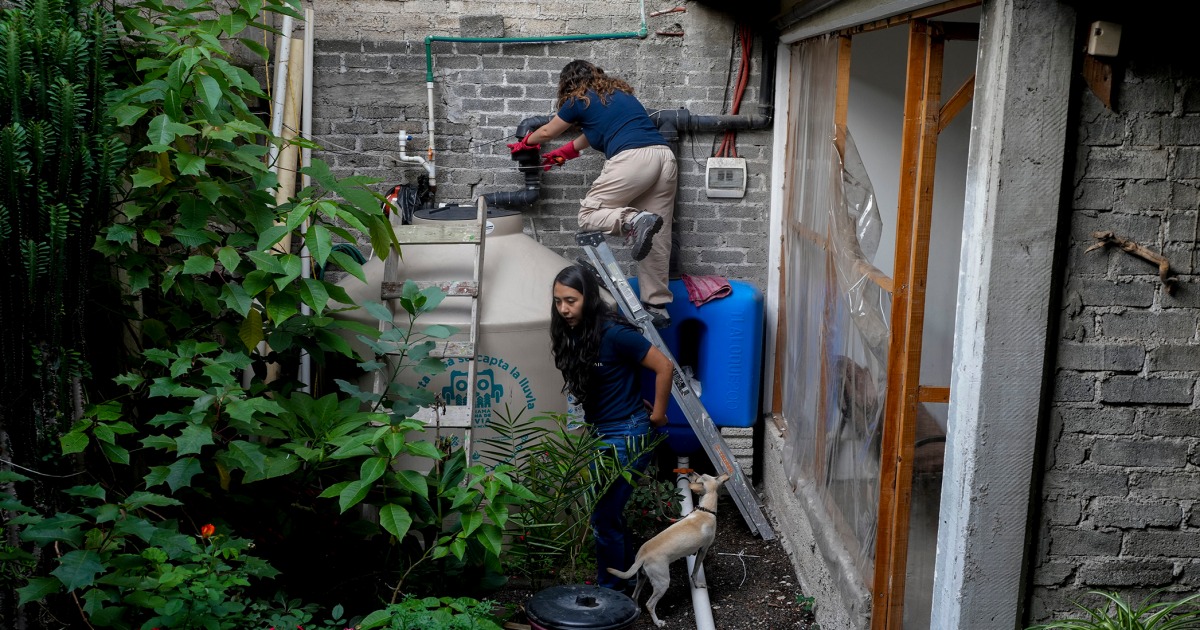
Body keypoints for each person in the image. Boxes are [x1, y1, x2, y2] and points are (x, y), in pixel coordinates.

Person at [512, 59, 678, 328]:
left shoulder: (577, 99)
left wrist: (524, 143)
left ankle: (631, 220)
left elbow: (546, 131)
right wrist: (563, 153)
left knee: (589, 215)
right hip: (663, 158)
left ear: (568, 83)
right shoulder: (617, 96)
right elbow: (591, 135)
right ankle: (657, 305)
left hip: (633, 159)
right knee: (657, 235)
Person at [549, 263, 673, 591]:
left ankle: (610, 594)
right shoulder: (572, 331)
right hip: (602, 433)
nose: (564, 308)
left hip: (627, 435)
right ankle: (631, 580)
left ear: (589, 298)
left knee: (604, 518)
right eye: (559, 300)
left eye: (571, 300)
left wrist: (658, 415)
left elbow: (664, 366)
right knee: (609, 515)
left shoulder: (615, 333)